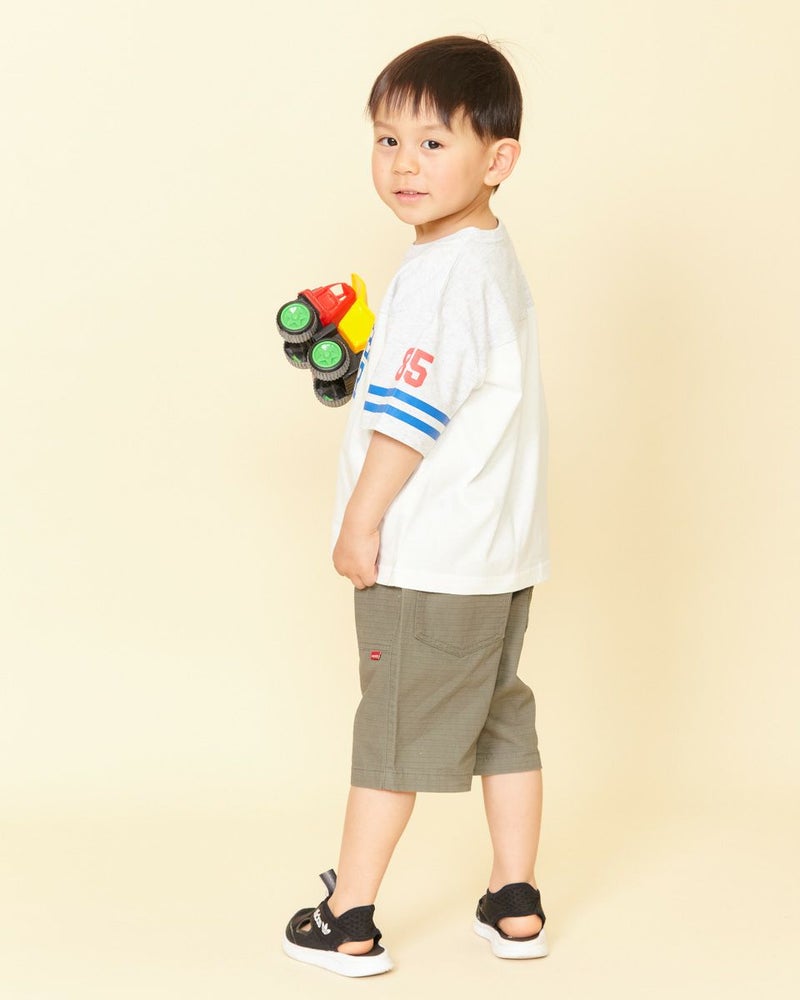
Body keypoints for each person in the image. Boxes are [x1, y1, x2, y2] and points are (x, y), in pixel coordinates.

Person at [282, 35, 551, 978]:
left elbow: (409, 419)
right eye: (388, 140)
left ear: (498, 159)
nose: (405, 164)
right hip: (495, 555)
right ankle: (515, 899)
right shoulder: (484, 257)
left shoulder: (442, 275)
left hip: (429, 557)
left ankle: (348, 916)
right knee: (500, 717)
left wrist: (361, 522)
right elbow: (445, 386)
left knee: (390, 730)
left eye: (434, 143)